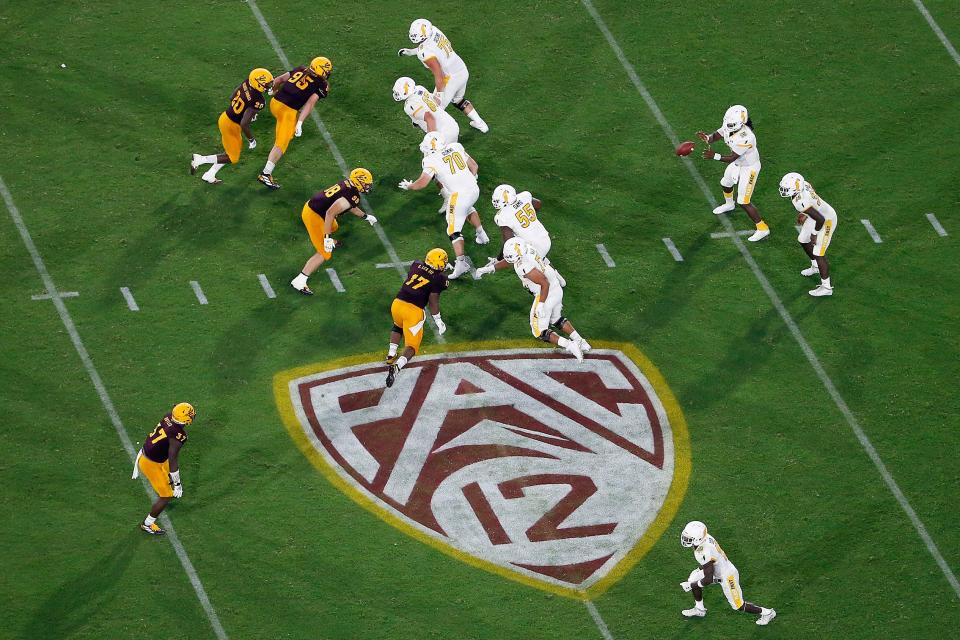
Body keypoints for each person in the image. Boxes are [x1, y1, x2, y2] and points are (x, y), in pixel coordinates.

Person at [398, 132, 490, 279]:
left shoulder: (430, 160)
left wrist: (410, 186)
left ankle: (461, 264)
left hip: (459, 196)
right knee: (466, 208)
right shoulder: (455, 146)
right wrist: (470, 180)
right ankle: (482, 235)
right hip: (474, 189)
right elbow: (474, 166)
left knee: (453, 230)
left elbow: (422, 183)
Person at [497, 238, 589, 360]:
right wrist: (491, 268)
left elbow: (544, 284)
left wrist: (541, 304)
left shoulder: (522, 266)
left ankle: (570, 345)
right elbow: (545, 263)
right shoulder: (529, 248)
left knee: (539, 331)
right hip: (556, 287)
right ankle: (581, 341)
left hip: (545, 294)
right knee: (556, 318)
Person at [290, 169, 377, 295]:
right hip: (313, 215)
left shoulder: (348, 185)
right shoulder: (352, 194)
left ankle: (325, 237)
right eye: (366, 184)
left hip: (314, 208)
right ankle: (299, 281)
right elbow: (330, 213)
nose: (368, 186)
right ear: (359, 182)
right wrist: (327, 238)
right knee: (325, 253)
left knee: (334, 225)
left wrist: (365, 216)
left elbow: (350, 205)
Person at [398, 19, 489, 133]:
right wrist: (411, 52)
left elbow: (438, 73)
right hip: (461, 69)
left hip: (450, 78)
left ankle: (439, 142)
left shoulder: (424, 52)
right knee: (458, 100)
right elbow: (429, 46)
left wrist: (439, 96)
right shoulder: (435, 30)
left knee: (434, 111)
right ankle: (481, 124)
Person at [679, 520, 777, 625]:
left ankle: (767, 613)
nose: (685, 540)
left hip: (727, 575)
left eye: (689, 538)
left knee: (738, 605)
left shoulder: (703, 551)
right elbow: (709, 562)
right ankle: (699, 609)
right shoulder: (705, 538)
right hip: (717, 569)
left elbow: (708, 579)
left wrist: (691, 585)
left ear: (698, 538)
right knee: (693, 578)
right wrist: (696, 576)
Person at [697, 105, 770, 241]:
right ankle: (729, 204)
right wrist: (707, 138)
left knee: (743, 201)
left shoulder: (746, 137)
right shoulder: (731, 125)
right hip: (739, 163)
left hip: (749, 168)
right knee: (725, 183)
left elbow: (731, 157)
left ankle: (762, 228)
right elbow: (718, 134)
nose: (727, 125)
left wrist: (714, 156)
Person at [258, 57, 332, 190]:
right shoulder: (322, 85)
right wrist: (300, 123)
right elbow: (309, 104)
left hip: (275, 104)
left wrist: (273, 90)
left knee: (286, 132)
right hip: (288, 112)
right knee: (281, 143)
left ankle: (266, 173)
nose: (327, 74)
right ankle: (265, 174)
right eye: (326, 71)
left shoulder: (301, 69)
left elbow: (279, 80)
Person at [191, 68, 272, 184]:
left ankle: (209, 174)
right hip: (232, 125)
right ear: (258, 84)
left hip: (225, 117)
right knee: (233, 158)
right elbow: (244, 124)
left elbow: (232, 97)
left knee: (230, 150)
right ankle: (200, 159)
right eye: (267, 84)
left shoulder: (246, 83)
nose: (269, 85)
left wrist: (243, 111)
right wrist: (251, 139)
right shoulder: (259, 100)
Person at [386, 248, 450, 388]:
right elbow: (433, 301)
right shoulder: (440, 279)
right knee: (412, 347)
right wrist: (438, 321)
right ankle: (397, 367)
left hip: (397, 304)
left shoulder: (416, 264)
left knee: (398, 325)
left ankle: (391, 355)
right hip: (413, 311)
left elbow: (425, 272)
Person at [132, 403, 196, 535]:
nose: (192, 415)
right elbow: (173, 460)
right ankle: (147, 524)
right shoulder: (178, 437)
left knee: (167, 479)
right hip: (150, 463)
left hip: (155, 455)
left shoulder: (168, 417)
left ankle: (167, 487)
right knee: (166, 496)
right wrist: (178, 485)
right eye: (190, 415)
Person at [779, 172, 838, 297]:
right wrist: (806, 213)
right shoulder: (804, 185)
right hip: (817, 215)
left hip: (826, 220)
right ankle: (815, 266)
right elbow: (813, 201)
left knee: (818, 252)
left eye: (787, 189)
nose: (784, 190)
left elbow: (820, 219)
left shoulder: (800, 202)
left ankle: (826, 287)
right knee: (802, 239)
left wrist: (815, 234)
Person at [392, 76, 460, 145]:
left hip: (443, 133)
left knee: (434, 153)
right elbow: (437, 101)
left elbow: (430, 118)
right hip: (451, 124)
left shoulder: (409, 106)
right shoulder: (420, 88)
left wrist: (431, 140)